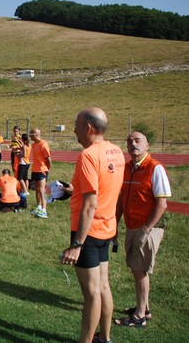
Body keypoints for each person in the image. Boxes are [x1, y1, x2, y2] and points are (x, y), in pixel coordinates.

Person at [60, 108, 125, 343]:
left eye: (76, 126)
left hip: (88, 232)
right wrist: (72, 190)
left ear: (88, 128)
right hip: (106, 229)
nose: (75, 131)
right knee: (103, 286)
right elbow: (106, 190)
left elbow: (90, 204)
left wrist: (77, 243)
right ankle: (105, 338)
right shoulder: (116, 152)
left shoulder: (88, 155)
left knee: (91, 294)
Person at [114, 131, 171, 328]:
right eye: (129, 141)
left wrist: (146, 230)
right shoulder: (127, 168)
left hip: (148, 227)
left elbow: (161, 204)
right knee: (136, 267)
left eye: (137, 140)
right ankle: (144, 307)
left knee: (139, 269)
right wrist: (115, 223)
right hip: (133, 226)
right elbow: (121, 199)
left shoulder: (155, 168)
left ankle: (139, 316)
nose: (132, 144)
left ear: (147, 146)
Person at [30, 128, 51, 218]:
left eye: (31, 134)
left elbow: (48, 159)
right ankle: (39, 206)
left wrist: (47, 169)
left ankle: (44, 210)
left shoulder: (43, 144)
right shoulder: (34, 145)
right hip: (35, 169)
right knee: (37, 189)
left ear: (35, 134)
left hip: (42, 170)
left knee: (42, 190)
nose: (29, 136)